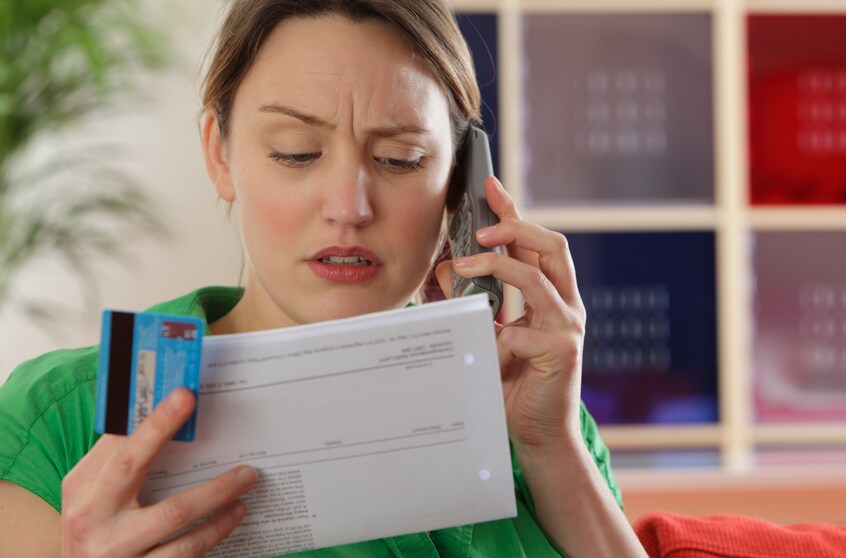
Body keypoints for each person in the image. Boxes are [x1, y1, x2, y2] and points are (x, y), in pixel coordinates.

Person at [0, 1, 647, 556]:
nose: (348, 205)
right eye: (295, 152)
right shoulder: (61, 418)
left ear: (461, 188)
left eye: (400, 159)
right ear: (219, 155)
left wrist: (550, 445)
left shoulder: (532, 411)